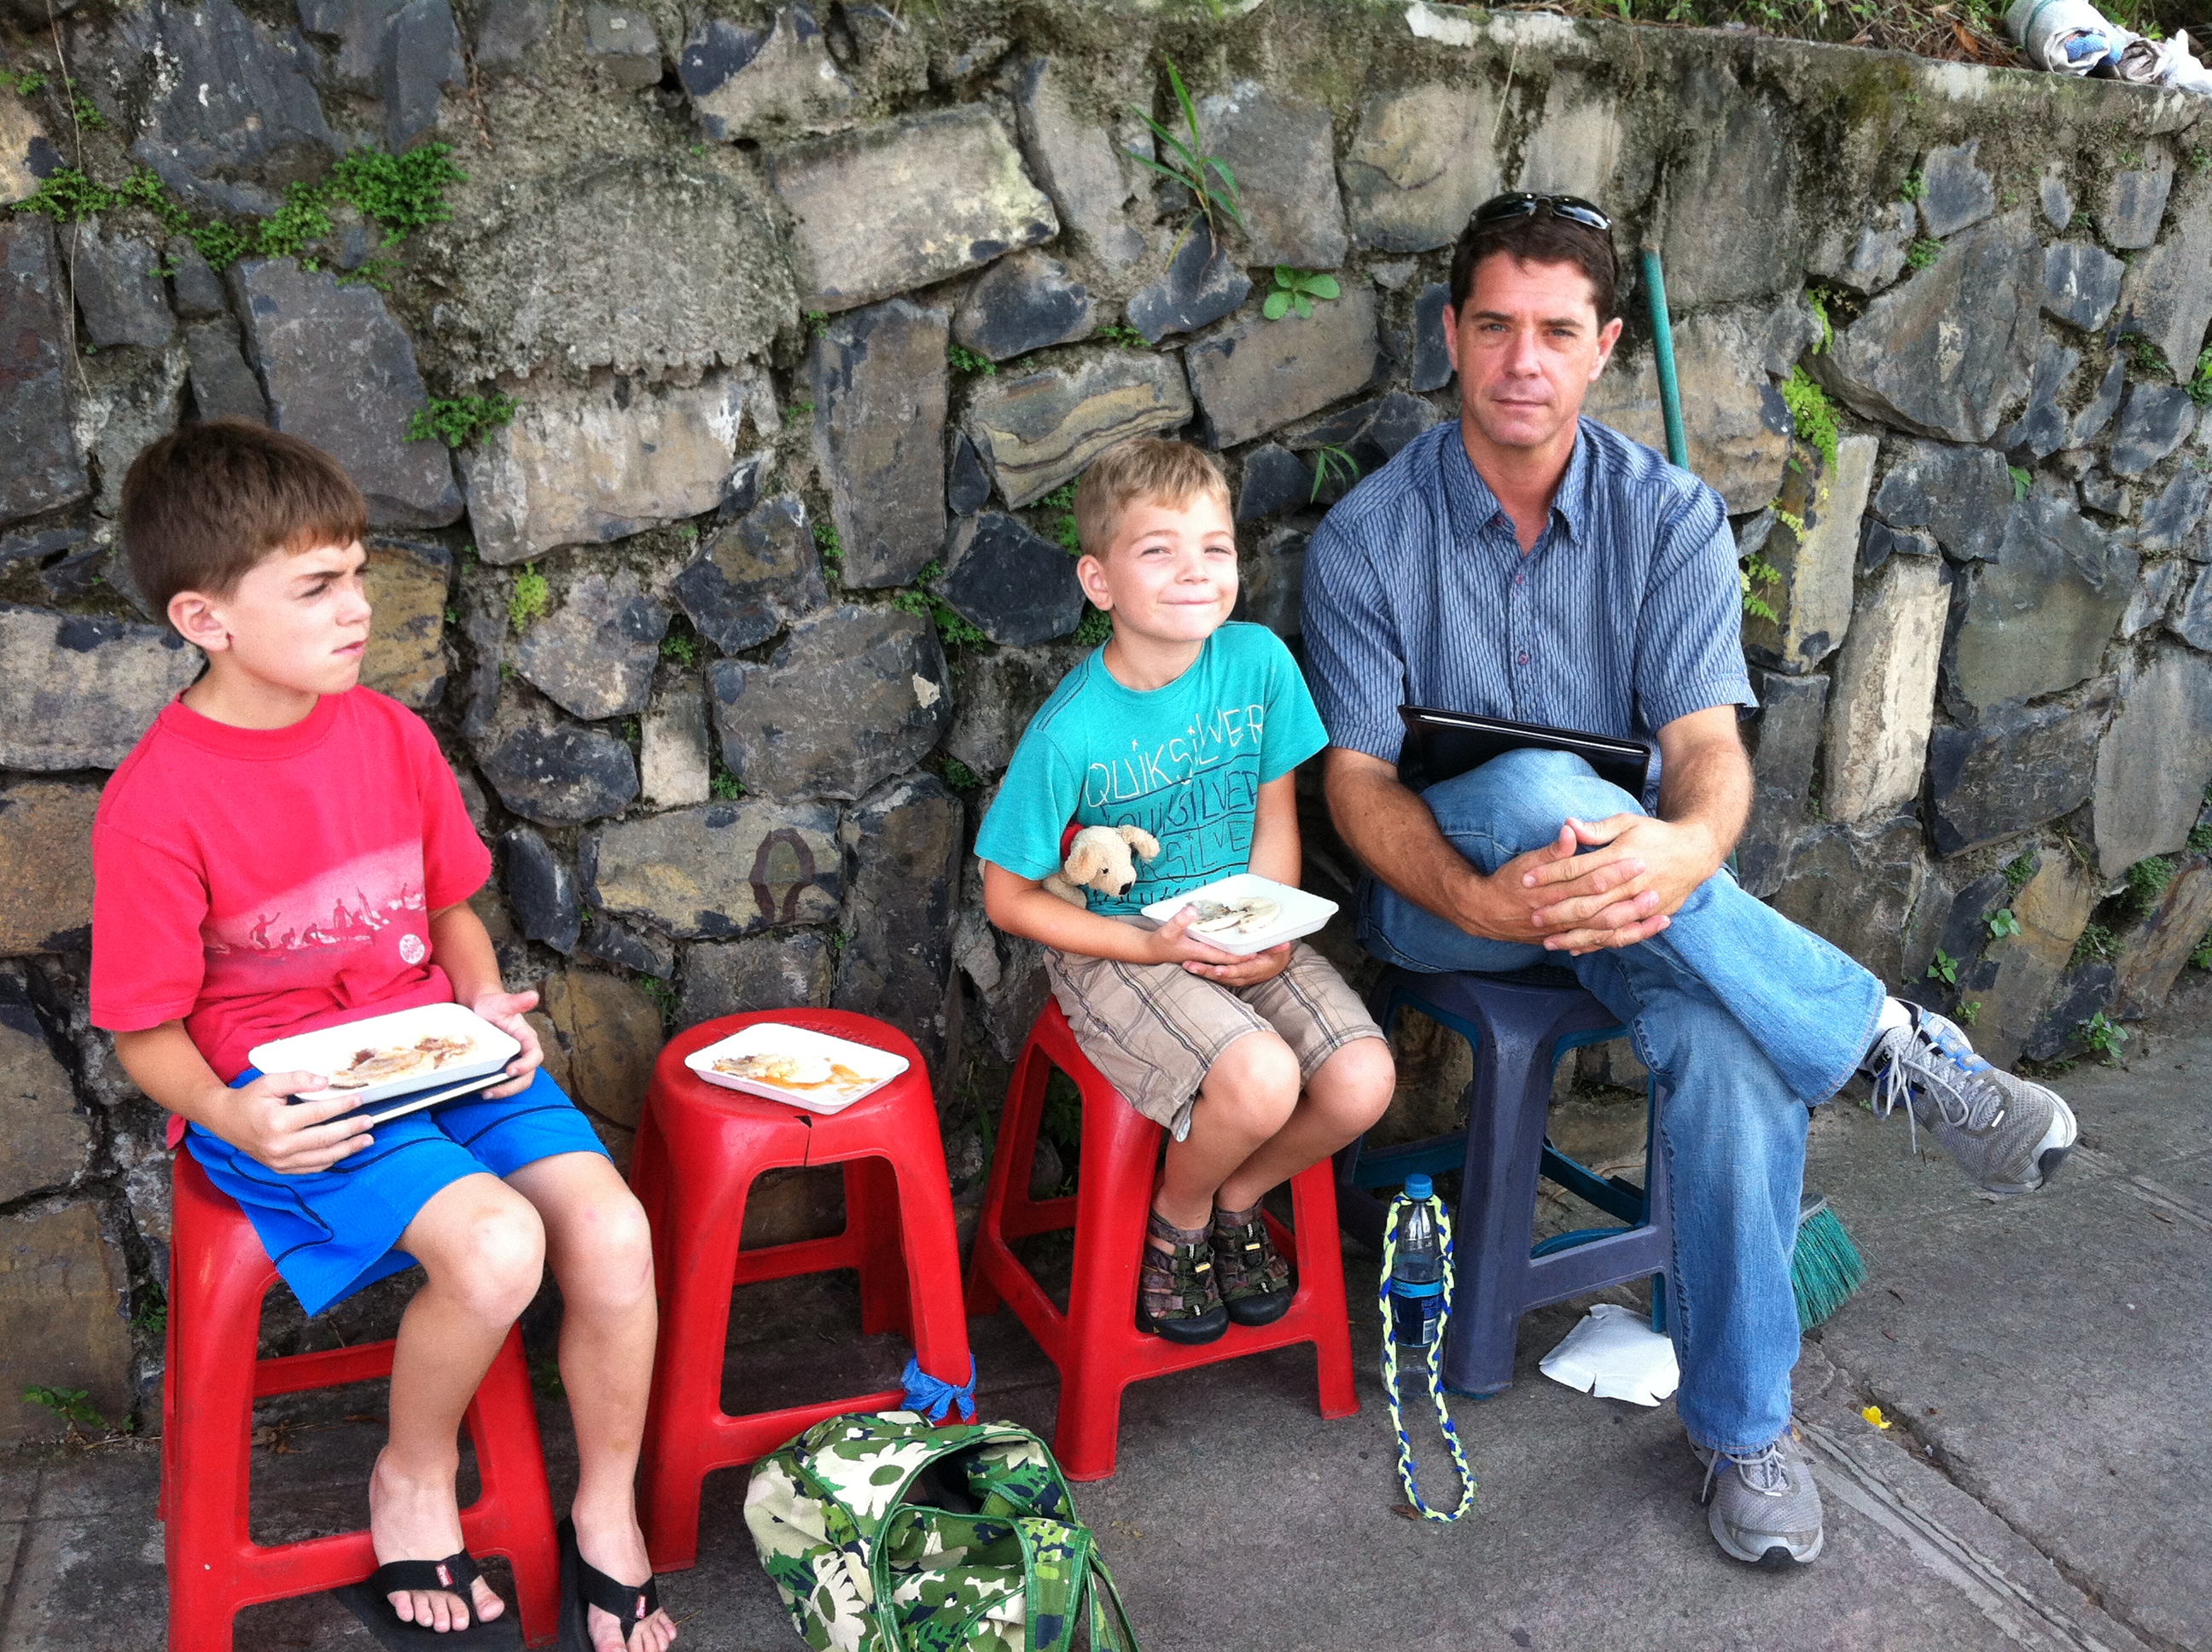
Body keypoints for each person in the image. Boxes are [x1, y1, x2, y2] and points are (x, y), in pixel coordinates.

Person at [1301, 194, 2078, 1568]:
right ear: (1452, 335)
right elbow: (1358, 783)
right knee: (1537, 787)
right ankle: (1885, 1039)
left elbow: (1707, 753)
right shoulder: (1372, 534)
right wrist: (1482, 899)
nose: (1523, 361)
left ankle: (1744, 1432)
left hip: (1637, 910)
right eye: (1496, 327)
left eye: (1556, 331)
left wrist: (1686, 847)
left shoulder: (1666, 520)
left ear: (1605, 346)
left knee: (1728, 1047)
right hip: (1442, 901)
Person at [91, 420, 677, 1649]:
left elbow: (451, 907)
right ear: (204, 618)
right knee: (499, 1249)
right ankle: (412, 1473)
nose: (358, 605)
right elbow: (143, 1034)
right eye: (317, 585)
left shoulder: (390, 736)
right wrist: (232, 1115)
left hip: (435, 1050)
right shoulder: (156, 804)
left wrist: (482, 999)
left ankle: (605, 1508)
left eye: (357, 572)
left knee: (615, 1235)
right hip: (289, 1093)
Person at [976, 437, 1396, 1344]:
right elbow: (1007, 900)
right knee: (1262, 1078)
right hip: (1120, 948)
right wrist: (1146, 943)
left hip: (1237, 927)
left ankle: (1237, 1193)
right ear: (1099, 582)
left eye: (1215, 547)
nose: (1195, 571)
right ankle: (1179, 1216)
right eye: (1159, 550)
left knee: (1363, 1080)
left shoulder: (1258, 664)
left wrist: (1270, 931)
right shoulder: (1070, 732)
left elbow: (1275, 817)